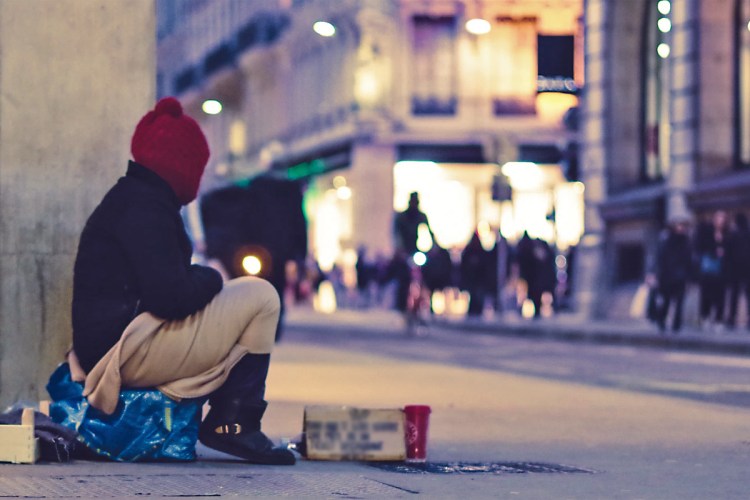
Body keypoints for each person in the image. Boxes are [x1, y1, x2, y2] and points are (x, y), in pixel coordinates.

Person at [70, 97, 295, 465]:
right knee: (261, 295)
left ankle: (232, 418)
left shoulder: (136, 198)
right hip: (120, 354)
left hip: (121, 342)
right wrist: (209, 276)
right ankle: (234, 423)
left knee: (247, 292)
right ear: (181, 163)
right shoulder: (144, 206)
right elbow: (170, 296)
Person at [654, 215, 692, 333]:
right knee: (666, 301)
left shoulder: (686, 242)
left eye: (682, 226)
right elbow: (660, 259)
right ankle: (662, 322)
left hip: (681, 277)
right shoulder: (667, 241)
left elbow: (689, 260)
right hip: (667, 277)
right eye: (678, 225)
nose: (681, 228)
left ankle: (676, 325)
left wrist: (689, 276)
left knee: (679, 302)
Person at [694, 210, 729, 331]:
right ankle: (705, 317)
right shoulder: (706, 232)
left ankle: (718, 320)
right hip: (708, 268)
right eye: (718, 218)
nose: (720, 221)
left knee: (720, 296)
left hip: (722, 269)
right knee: (706, 294)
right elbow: (700, 247)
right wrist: (715, 251)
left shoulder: (727, 233)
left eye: (723, 218)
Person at [725, 212, 750, 329]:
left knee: (734, 295)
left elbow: (728, 253)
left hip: (735, 269)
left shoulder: (733, 235)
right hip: (748, 269)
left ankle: (731, 319)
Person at [460, 231, 490, 317]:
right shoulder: (472, 252)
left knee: (476, 298)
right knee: (474, 298)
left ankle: (475, 312)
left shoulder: (473, 252)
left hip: (477, 281)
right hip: (474, 281)